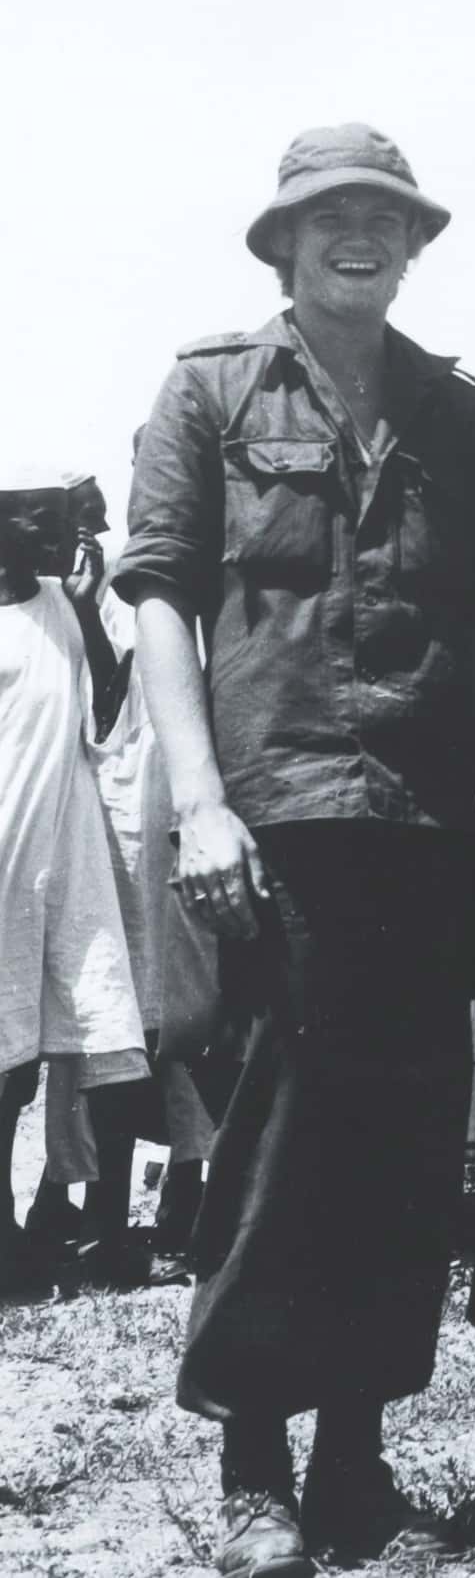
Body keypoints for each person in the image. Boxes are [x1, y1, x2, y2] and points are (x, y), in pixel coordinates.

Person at [117, 124, 475, 1574]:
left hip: (426, 823)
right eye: (328, 217)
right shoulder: (208, 391)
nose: (358, 236)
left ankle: (357, 1463)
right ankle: (256, 1470)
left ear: (415, 244)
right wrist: (204, 797)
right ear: (284, 244)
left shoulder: (452, 413)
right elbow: (161, 599)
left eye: (385, 217)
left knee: (405, 1145)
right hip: (274, 814)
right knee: (278, 1141)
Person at [36, 466, 227, 1291]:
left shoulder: (198, 572)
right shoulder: (82, 598)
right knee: (113, 1023)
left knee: (186, 1016)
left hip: (175, 824)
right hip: (110, 825)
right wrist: (85, 606)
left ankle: (184, 1191)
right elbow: (106, 702)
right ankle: (83, 1205)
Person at [0, 471, 148, 1299]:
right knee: (3, 1062)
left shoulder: (62, 604)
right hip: (4, 852)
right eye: (38, 521)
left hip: (63, 847)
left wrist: (88, 608)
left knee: (72, 1043)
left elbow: (108, 712)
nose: (59, 535)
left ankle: (77, 1228)